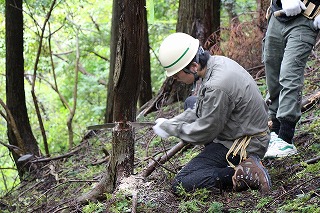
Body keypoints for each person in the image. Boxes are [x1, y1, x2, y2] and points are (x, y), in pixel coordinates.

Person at [152, 32, 272, 195]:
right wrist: (170, 123)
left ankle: (242, 173)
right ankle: (222, 161)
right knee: (190, 102)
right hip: (243, 126)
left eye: (176, 74)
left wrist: (173, 130)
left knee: (182, 182)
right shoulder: (216, 64)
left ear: (193, 66)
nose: (175, 79)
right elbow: (199, 108)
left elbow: (205, 132)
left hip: (246, 143)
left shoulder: (217, 85)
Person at [263, 0, 320, 158]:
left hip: (306, 19)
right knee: (272, 69)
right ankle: (274, 132)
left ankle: (285, 138)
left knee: (290, 73)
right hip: (278, 14)